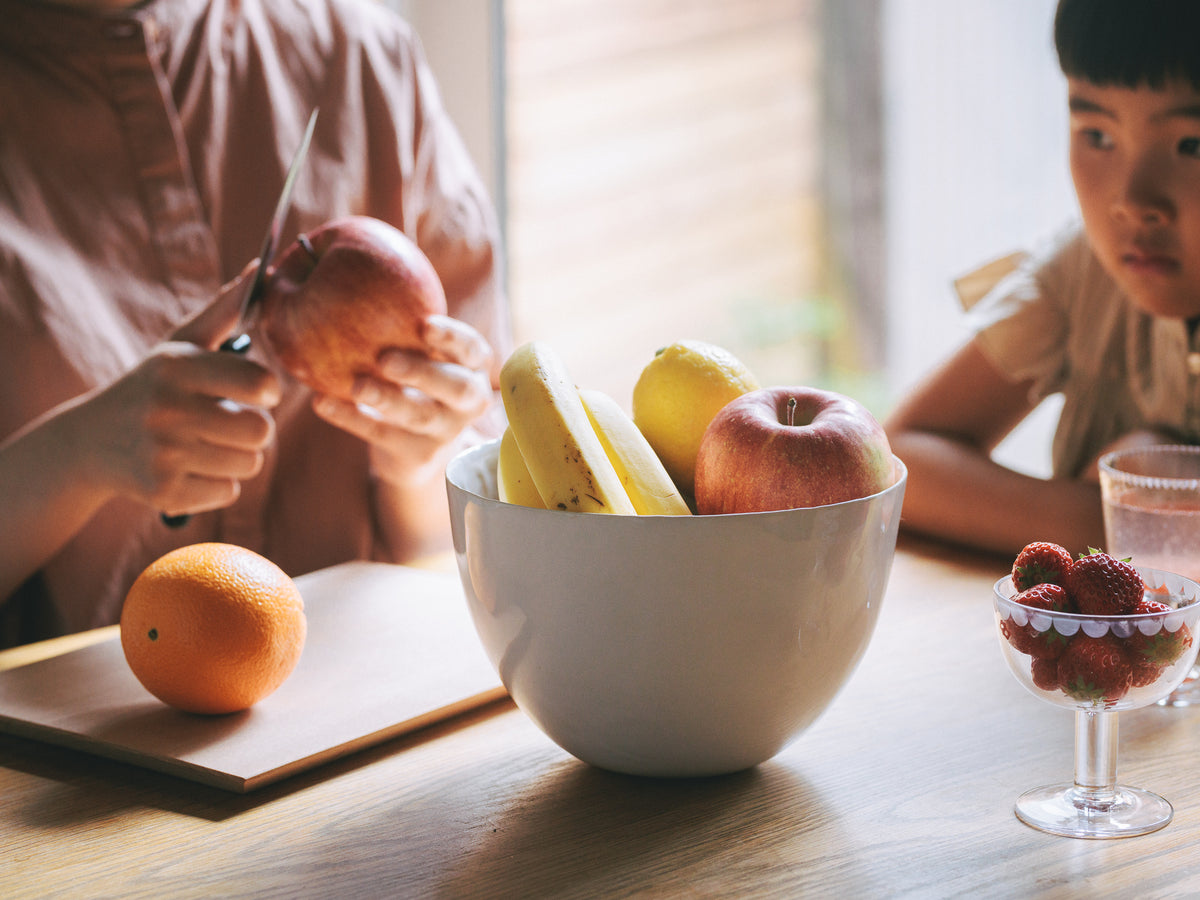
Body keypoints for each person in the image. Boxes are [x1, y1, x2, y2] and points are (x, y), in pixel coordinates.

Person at [0, 0, 511, 646]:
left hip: (374, 693)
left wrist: (421, 457)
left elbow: (493, 522)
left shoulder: (360, 57)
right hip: (63, 737)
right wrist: (72, 459)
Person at [885, 0, 1200, 557]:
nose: (1132, 201)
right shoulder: (1090, 271)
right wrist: (1112, 520)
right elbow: (901, 458)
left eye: (1189, 146)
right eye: (1098, 135)